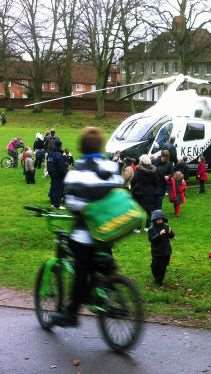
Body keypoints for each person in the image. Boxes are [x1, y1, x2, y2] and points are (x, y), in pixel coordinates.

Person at [50, 127, 124, 326]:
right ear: (101, 145)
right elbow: (120, 189)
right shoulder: (112, 166)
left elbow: (72, 202)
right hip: (110, 228)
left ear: (81, 147)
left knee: (81, 269)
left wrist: (81, 208)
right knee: (102, 260)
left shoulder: (78, 170)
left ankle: (71, 313)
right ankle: (110, 288)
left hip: (87, 232)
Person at [131, 154, 158, 231]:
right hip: (150, 192)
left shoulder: (139, 171)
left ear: (141, 162)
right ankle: (147, 226)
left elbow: (134, 181)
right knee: (149, 210)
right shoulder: (154, 171)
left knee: (139, 210)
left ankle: (138, 227)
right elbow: (156, 182)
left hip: (140, 193)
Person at [149, 210, 175, 286]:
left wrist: (171, 232)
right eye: (158, 219)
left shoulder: (166, 227)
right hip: (156, 251)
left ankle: (160, 281)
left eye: (161, 219)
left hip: (166, 251)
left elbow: (171, 236)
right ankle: (156, 277)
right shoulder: (151, 229)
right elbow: (151, 239)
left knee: (163, 266)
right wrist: (159, 234)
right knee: (154, 266)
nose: (160, 221)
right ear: (154, 220)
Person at [47, 139, 67, 209]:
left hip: (52, 174)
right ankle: (57, 205)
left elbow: (49, 165)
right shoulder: (58, 155)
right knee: (58, 190)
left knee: (53, 188)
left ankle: (52, 203)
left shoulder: (50, 154)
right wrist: (65, 174)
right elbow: (61, 167)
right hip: (59, 175)